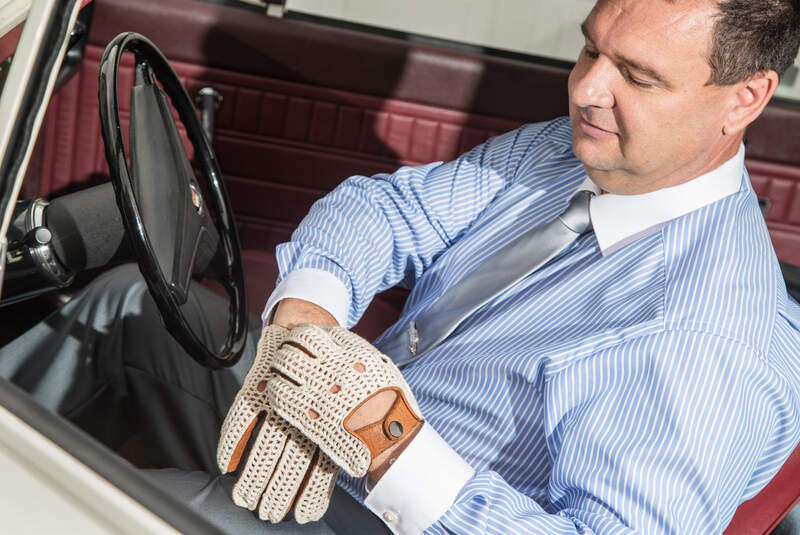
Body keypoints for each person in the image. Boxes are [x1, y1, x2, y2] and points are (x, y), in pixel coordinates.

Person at [2, 0, 799, 533]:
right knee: (127, 305)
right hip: (347, 413)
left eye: (638, 76)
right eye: (591, 47)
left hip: (396, 511)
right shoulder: (573, 154)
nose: (588, 88)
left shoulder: (706, 339)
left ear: (743, 99)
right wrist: (305, 328)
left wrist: (386, 438)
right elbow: (385, 211)